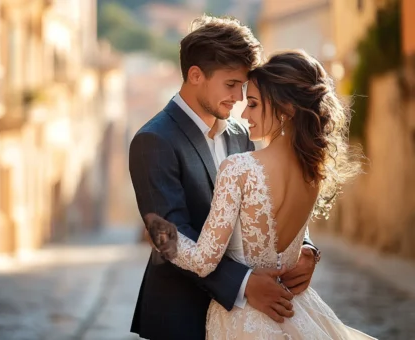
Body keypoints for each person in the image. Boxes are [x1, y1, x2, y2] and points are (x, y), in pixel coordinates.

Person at [145, 49, 374, 339]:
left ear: (286, 109)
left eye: (252, 103)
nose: (243, 112)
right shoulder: (313, 172)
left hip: (243, 320)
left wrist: (162, 235)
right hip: (295, 308)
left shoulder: (239, 168)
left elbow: (203, 260)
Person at [128, 16, 320, 340]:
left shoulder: (241, 134)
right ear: (195, 75)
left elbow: (271, 196)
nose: (239, 98)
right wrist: (244, 284)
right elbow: (170, 236)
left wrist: (306, 249)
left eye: (244, 87)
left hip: (254, 320)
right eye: (231, 85)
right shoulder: (153, 140)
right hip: (183, 315)